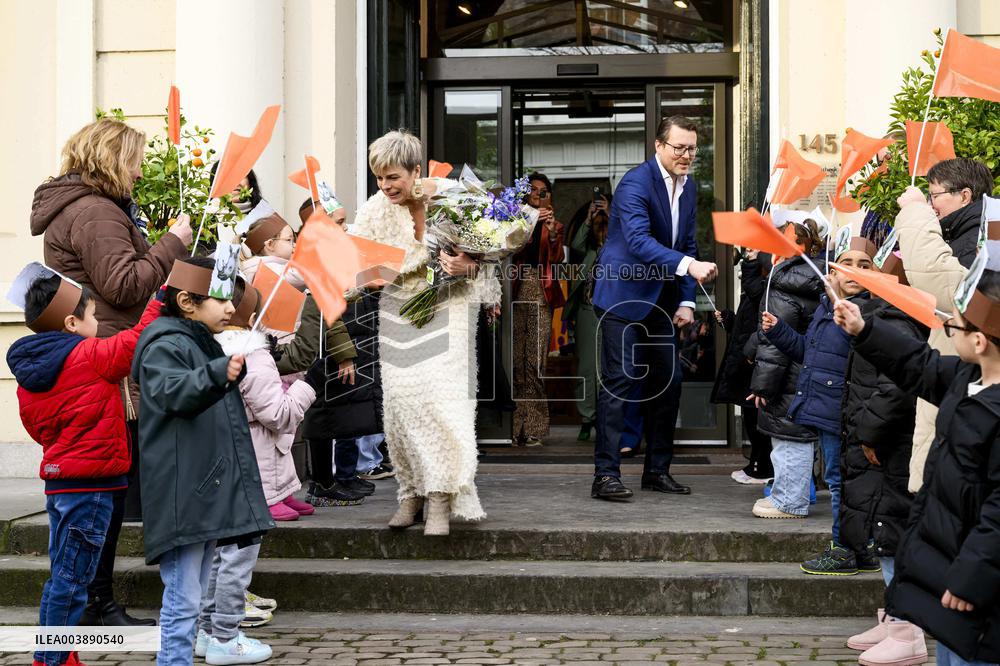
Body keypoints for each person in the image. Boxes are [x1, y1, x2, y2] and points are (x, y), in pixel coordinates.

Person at [30, 117, 191, 626]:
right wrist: (173, 242)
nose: (141, 173)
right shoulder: (95, 211)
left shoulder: (90, 208)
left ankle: (89, 605)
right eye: (136, 161)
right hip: (108, 366)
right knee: (104, 493)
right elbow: (122, 286)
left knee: (106, 492)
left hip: (103, 359)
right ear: (113, 159)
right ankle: (90, 609)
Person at [833, 272, 1000, 666]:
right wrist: (863, 328)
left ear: (979, 341)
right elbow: (916, 363)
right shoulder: (967, 377)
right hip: (952, 569)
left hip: (977, 583)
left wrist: (970, 579)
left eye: (953, 324)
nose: (946, 328)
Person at [6, 270, 162, 666]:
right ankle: (53, 660)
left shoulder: (30, 375)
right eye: (93, 317)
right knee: (73, 581)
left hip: (60, 484)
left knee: (61, 576)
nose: (98, 326)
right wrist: (161, 297)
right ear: (71, 322)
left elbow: (37, 427)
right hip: (91, 489)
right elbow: (136, 339)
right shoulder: (88, 356)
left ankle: (54, 652)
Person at [349, 129, 501, 536]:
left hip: (451, 308)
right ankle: (410, 491)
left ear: (416, 170)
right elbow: (357, 264)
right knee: (402, 405)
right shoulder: (374, 210)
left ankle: (440, 497)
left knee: (442, 401)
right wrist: (373, 274)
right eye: (379, 177)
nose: (386, 186)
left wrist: (470, 265)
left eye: (394, 176)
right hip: (400, 312)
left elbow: (493, 247)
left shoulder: (454, 195)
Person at [133, 256, 273, 666]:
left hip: (200, 489)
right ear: (186, 302)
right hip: (185, 493)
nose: (232, 308)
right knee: (183, 599)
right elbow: (173, 391)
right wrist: (215, 374)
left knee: (190, 594)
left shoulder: (196, 340)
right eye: (221, 299)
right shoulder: (165, 344)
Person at [590, 115, 718, 501]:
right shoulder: (634, 183)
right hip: (623, 296)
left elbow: (687, 243)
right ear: (659, 146)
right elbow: (640, 241)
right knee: (620, 382)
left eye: (691, 149)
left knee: (670, 381)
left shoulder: (689, 186)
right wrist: (689, 268)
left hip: (662, 299)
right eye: (678, 147)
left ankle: (657, 471)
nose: (686, 155)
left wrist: (685, 299)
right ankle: (605, 475)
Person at [193, 279, 320, 665]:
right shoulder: (254, 355)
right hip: (251, 466)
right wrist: (305, 388)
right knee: (238, 555)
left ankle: (205, 630)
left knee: (218, 554)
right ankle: (226, 637)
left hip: (218, 463)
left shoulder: (203, 348)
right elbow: (278, 415)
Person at [840, 254, 927, 661]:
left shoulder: (895, 320)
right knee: (884, 529)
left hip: (892, 443)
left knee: (892, 530)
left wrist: (869, 432)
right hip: (884, 441)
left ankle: (908, 632)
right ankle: (893, 619)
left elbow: (896, 387)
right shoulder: (887, 315)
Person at [894, 158, 994, 495]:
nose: (930, 202)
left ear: (965, 196)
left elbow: (937, 279)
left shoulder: (980, 238)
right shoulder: (967, 232)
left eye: (934, 195)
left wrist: (913, 212)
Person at [745, 220, 824, 517]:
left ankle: (789, 500)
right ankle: (791, 495)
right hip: (804, 373)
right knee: (794, 436)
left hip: (788, 376)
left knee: (787, 435)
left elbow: (774, 343)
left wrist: (762, 386)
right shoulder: (812, 272)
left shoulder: (785, 280)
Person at [510, 172, 565, 447]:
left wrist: (552, 233)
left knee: (535, 360)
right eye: (533, 189)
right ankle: (514, 425)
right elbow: (512, 249)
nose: (537, 194)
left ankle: (534, 428)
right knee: (515, 360)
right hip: (514, 290)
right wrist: (530, 224)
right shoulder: (514, 219)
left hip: (539, 292)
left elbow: (557, 259)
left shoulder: (553, 223)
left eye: (543, 191)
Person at [710, 246, 773, 484]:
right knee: (751, 416)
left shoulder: (765, 287)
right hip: (750, 360)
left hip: (757, 361)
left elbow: (754, 291)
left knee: (757, 417)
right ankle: (757, 463)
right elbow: (746, 325)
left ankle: (762, 467)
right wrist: (729, 320)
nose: (748, 254)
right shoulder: (756, 289)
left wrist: (751, 261)